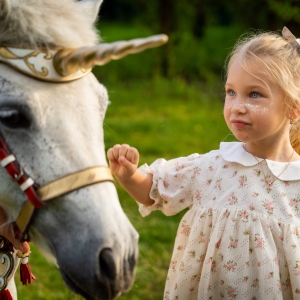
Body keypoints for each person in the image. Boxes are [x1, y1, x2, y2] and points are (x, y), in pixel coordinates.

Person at [107, 27, 300, 299]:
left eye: (254, 94)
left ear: (294, 107)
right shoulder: (212, 168)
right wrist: (129, 177)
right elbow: (155, 191)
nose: (237, 106)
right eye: (231, 92)